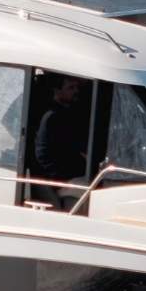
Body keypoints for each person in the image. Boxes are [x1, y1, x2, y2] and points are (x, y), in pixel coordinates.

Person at [31, 76, 94, 207]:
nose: (76, 91)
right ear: (57, 91)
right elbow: (43, 154)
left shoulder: (69, 113)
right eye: (71, 88)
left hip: (71, 172)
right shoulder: (52, 116)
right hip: (59, 177)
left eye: (77, 87)